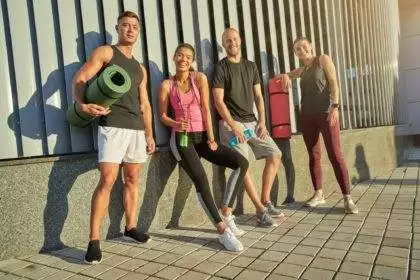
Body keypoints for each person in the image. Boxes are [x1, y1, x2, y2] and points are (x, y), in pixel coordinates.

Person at [72, 11, 156, 264]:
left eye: (134, 27)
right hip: (112, 126)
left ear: (138, 32)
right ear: (117, 28)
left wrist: (149, 134)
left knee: (132, 178)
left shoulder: (141, 68)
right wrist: (82, 104)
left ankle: (130, 227)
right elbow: (81, 78)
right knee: (107, 180)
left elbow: (145, 104)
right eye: (125, 26)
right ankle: (94, 240)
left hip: (136, 130)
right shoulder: (106, 53)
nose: (130, 30)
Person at [158, 43, 248, 251]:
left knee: (240, 162)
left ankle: (226, 210)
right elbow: (162, 115)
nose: (184, 59)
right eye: (180, 55)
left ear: (192, 61)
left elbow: (206, 109)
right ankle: (222, 231)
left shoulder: (198, 78)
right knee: (201, 179)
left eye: (188, 57)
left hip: (202, 137)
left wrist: (211, 137)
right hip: (182, 139)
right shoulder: (166, 85)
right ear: (174, 57)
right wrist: (174, 123)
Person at [275, 37, 358, 214]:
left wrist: (335, 106)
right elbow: (289, 75)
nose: (301, 50)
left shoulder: (322, 59)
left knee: (335, 155)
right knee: (314, 155)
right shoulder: (303, 69)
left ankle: (347, 198)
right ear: (295, 53)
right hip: (307, 116)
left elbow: (334, 82)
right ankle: (319, 194)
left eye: (303, 46)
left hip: (326, 114)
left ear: (311, 46)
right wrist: (285, 75)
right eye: (297, 49)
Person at [213, 28, 284, 227]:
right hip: (230, 124)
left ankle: (265, 201)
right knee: (243, 162)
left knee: (275, 154)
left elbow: (259, 97)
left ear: (240, 40)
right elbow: (218, 101)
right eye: (227, 41)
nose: (232, 43)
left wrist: (262, 121)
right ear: (224, 44)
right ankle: (260, 212)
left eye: (234, 39)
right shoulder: (221, 67)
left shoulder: (251, 66)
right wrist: (234, 126)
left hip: (252, 122)